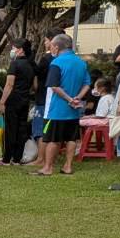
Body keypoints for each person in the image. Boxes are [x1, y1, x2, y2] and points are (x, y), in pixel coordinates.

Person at [34, 34, 91, 177]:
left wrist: (69, 99)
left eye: (51, 46)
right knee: (71, 138)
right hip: (73, 110)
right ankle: (68, 166)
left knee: (53, 139)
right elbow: (87, 84)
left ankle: (47, 167)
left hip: (57, 109)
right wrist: (78, 97)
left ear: (56, 47)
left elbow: (54, 86)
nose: (50, 48)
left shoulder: (57, 63)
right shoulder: (81, 62)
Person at [0, 38, 35, 166]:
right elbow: (34, 85)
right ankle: (17, 158)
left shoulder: (15, 64)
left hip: (13, 100)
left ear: (20, 50)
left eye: (14, 48)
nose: (12, 50)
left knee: (10, 130)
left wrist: (2, 102)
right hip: (25, 100)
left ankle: (6, 159)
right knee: (21, 129)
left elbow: (9, 84)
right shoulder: (31, 64)